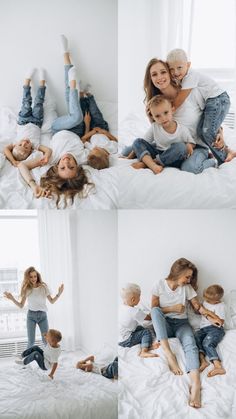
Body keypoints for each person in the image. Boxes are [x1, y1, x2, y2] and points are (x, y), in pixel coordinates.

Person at [130, 58, 228, 174]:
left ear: (170, 73)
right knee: (130, 148)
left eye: (163, 72)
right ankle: (159, 159)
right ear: (150, 79)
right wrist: (149, 118)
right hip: (167, 147)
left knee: (190, 168)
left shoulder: (190, 91)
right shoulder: (157, 102)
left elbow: (211, 116)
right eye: (154, 74)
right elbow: (158, 129)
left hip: (193, 146)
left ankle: (209, 159)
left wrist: (219, 132)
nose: (159, 77)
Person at [151, 258, 222, 408]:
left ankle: (195, 384)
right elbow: (152, 311)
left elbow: (198, 307)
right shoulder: (159, 285)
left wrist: (213, 317)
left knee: (191, 344)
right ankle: (169, 354)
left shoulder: (187, 288)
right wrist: (172, 309)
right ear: (178, 273)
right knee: (156, 311)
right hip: (165, 324)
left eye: (190, 277)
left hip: (182, 324)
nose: (189, 280)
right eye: (187, 276)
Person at [166, 48, 236, 164]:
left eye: (179, 67)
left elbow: (178, 101)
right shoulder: (181, 79)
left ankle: (223, 159)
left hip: (218, 99)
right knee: (201, 131)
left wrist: (165, 113)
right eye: (171, 69)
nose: (176, 72)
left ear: (188, 65)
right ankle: (228, 150)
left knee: (206, 131)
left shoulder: (191, 76)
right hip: (211, 103)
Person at [131, 95, 197, 174]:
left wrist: (189, 145)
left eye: (166, 113)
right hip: (158, 152)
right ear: (153, 117)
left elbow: (192, 142)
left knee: (181, 147)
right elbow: (143, 143)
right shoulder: (155, 127)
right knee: (137, 141)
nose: (163, 118)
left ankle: (148, 163)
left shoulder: (182, 129)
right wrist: (129, 156)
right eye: (157, 116)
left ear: (172, 110)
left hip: (174, 158)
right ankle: (152, 164)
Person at [4, 266, 64, 348]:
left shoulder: (43, 287)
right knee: (31, 341)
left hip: (42, 315)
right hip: (31, 316)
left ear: (37, 276)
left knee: (46, 340)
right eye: (31, 277)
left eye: (35, 276)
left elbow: (52, 301)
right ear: (28, 278)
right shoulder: (26, 289)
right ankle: (25, 359)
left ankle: (50, 358)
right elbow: (21, 305)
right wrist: (12, 299)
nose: (33, 278)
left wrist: (59, 293)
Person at [4, 69, 52, 168]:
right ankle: (42, 83)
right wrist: (46, 156)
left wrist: (13, 161)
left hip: (23, 121)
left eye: (20, 144)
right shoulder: (35, 146)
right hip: (36, 121)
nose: (24, 143)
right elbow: (48, 150)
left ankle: (27, 81)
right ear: (31, 150)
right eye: (26, 147)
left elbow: (5, 149)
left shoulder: (14, 142)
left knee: (26, 102)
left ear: (15, 145)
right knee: (39, 102)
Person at [119, 283, 159, 358]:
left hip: (120, 339)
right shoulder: (135, 311)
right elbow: (149, 317)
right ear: (133, 299)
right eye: (139, 297)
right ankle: (144, 351)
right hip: (127, 340)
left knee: (140, 328)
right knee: (146, 332)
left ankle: (147, 344)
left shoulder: (121, 307)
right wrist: (154, 308)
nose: (140, 299)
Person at [195, 284, 225, 377]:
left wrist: (209, 314)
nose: (206, 301)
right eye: (206, 298)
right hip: (203, 328)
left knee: (207, 343)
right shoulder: (205, 302)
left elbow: (220, 322)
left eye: (209, 300)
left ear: (216, 301)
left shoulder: (221, 306)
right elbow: (200, 310)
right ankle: (203, 361)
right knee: (196, 338)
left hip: (216, 329)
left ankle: (218, 366)